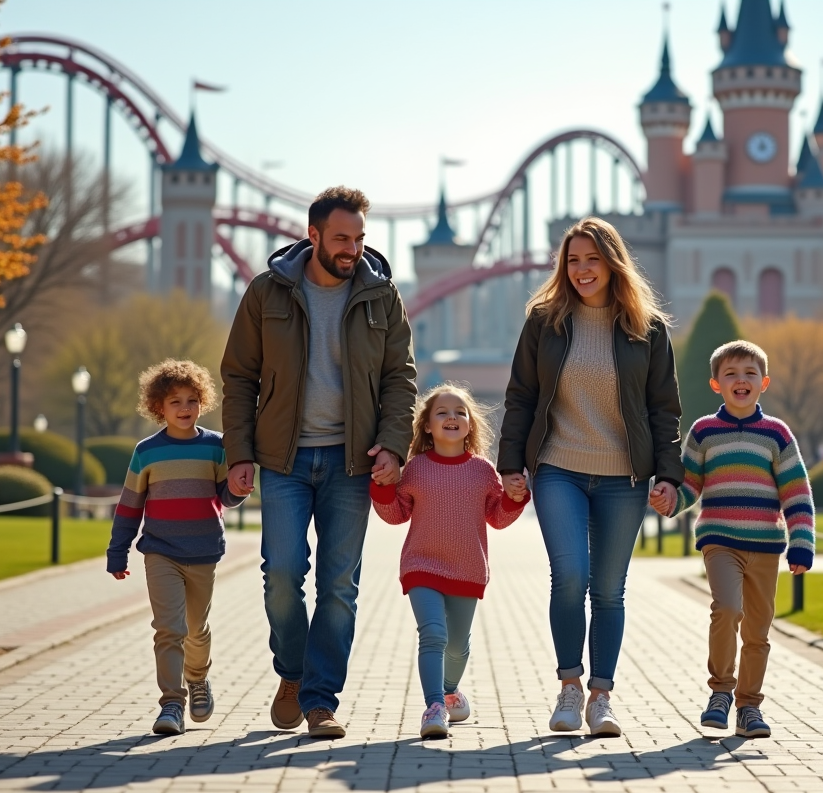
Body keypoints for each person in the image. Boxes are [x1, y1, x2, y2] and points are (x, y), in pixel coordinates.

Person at [221, 186, 417, 739]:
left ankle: (320, 699)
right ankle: (293, 671)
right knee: (281, 575)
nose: (352, 248)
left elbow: (400, 378)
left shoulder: (382, 297)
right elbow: (239, 377)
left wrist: (392, 444)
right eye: (341, 238)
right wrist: (239, 454)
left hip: (351, 464)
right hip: (282, 459)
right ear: (313, 236)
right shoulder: (267, 293)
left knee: (338, 584)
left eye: (359, 238)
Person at [498, 216, 684, 737]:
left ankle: (602, 697)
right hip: (559, 468)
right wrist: (510, 465)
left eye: (592, 259)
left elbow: (664, 410)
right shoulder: (545, 323)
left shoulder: (647, 330)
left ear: (612, 263)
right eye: (573, 260)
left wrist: (668, 476)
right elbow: (522, 397)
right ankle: (569, 687)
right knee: (570, 576)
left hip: (624, 477)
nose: (582, 270)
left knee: (608, 590)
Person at [649, 340, 815, 738]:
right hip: (719, 540)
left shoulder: (777, 435)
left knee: (758, 630)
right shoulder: (704, 432)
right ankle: (720, 692)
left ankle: (749, 707)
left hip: (765, 547)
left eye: (749, 374)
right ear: (715, 384)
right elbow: (690, 485)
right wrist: (670, 499)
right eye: (731, 374)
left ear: (764, 383)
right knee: (726, 609)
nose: (741, 380)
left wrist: (802, 541)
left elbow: (796, 491)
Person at [371, 384, 529, 739]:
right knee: (433, 634)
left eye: (460, 412)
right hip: (421, 566)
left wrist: (515, 498)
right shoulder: (414, 469)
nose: (452, 417)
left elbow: (497, 518)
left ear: (471, 424)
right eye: (442, 412)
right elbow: (396, 514)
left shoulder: (484, 471)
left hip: (467, 569)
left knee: (457, 645)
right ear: (427, 425)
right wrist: (382, 489)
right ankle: (434, 706)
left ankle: (449, 690)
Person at [107, 359, 246, 736]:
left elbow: (225, 497)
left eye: (191, 400)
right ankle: (172, 703)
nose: (184, 408)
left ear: (203, 402)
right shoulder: (147, 451)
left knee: (195, 630)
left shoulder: (216, 446)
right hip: (161, 551)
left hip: (202, 550)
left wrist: (237, 488)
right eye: (174, 402)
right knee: (169, 628)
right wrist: (117, 551)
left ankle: (198, 679)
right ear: (158, 408)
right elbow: (130, 503)